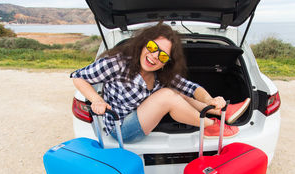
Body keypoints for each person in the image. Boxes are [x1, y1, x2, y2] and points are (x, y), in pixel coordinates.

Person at [71, 22, 250, 143]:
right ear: (142, 44)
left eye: (162, 55)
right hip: (121, 128)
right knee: (167, 95)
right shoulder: (118, 63)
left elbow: (192, 88)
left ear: (167, 61)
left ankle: (219, 111)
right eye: (151, 47)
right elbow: (78, 76)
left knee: (176, 91)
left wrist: (210, 99)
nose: (154, 56)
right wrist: (97, 100)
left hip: (142, 116)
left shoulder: (163, 73)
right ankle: (210, 127)